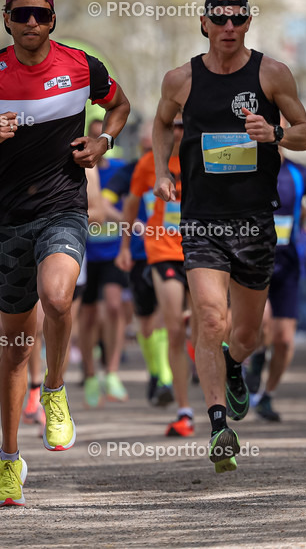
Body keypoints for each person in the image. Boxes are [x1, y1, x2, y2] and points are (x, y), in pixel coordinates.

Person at [0, 0, 130, 507]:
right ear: (6, 19)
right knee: (16, 345)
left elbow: (120, 106)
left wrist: (103, 141)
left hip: (64, 208)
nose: (30, 23)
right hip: (9, 221)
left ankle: (55, 389)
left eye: (40, 15)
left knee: (59, 296)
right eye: (21, 14)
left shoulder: (82, 66)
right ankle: (9, 461)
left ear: (53, 20)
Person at [154, 0, 306, 473]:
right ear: (204, 23)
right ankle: (219, 425)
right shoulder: (180, 79)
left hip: (255, 221)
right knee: (209, 319)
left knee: (246, 334)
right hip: (201, 219)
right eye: (220, 18)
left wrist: (276, 133)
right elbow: (161, 124)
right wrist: (162, 171)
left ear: (248, 22)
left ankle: (235, 364)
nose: (228, 27)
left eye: (237, 18)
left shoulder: (271, 74)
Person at [122, 114, 195, 437]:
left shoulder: (204, 157)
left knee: (213, 326)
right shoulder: (149, 163)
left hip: (202, 249)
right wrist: (125, 246)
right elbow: (130, 203)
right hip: (163, 250)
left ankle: (226, 373)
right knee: (173, 328)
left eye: (183, 125)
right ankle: (183, 409)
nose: (178, 131)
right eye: (173, 125)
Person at [248, 153, 306, 422]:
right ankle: (256, 357)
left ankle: (267, 395)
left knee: (283, 340)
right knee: (262, 323)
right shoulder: (246, 164)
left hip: (289, 265)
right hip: (252, 261)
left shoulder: (299, 174)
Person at [110, 120, 171, 408]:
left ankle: (166, 376)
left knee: (165, 313)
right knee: (145, 320)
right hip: (138, 253)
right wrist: (130, 224)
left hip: (170, 251)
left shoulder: (177, 166)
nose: (150, 153)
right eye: (146, 147)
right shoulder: (131, 170)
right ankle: (156, 372)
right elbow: (104, 202)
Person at [78, 117, 130, 406]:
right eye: (93, 136)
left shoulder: (120, 170)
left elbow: (133, 201)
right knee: (87, 317)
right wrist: (116, 216)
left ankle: (112, 372)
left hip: (111, 251)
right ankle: (89, 374)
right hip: (85, 251)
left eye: (103, 138)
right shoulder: (79, 169)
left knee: (113, 306)